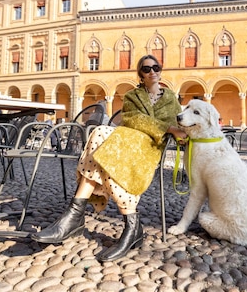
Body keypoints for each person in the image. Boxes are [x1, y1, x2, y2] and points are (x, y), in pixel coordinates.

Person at [31, 54, 188, 262]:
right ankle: (130, 226)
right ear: (140, 74)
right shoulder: (132, 96)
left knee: (104, 144)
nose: (152, 72)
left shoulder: (171, 99)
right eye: (146, 69)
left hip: (149, 148)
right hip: (126, 141)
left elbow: (180, 127)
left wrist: (180, 134)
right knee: (100, 137)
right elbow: (133, 119)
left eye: (156, 67)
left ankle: (75, 216)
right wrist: (167, 127)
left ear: (161, 70)